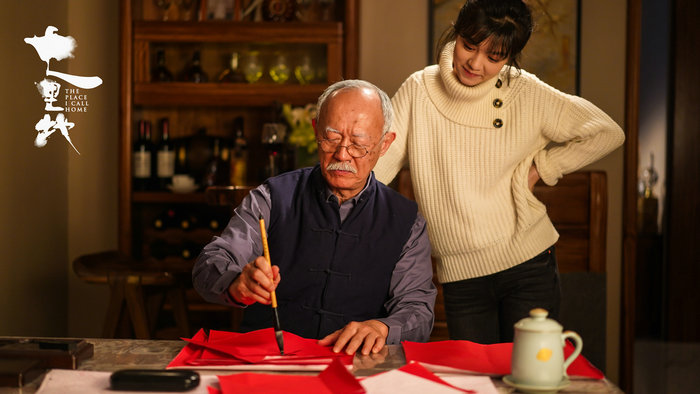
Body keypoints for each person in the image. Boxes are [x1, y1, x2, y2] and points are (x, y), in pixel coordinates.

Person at [373, 0, 625, 344]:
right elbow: (378, 167)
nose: (475, 64)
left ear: (510, 57)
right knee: (479, 383)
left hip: (528, 265)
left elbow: (607, 131)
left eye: (494, 57)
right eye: (469, 46)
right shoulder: (419, 89)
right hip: (461, 277)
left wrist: (543, 167)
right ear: (456, 34)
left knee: (528, 380)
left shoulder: (525, 92)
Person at [193, 79, 437, 355]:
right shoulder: (272, 197)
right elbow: (209, 264)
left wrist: (383, 328)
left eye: (359, 144)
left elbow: (417, 310)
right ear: (315, 130)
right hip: (270, 362)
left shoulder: (406, 221)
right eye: (331, 138)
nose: (342, 154)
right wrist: (237, 283)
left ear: (384, 144)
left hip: (355, 367)